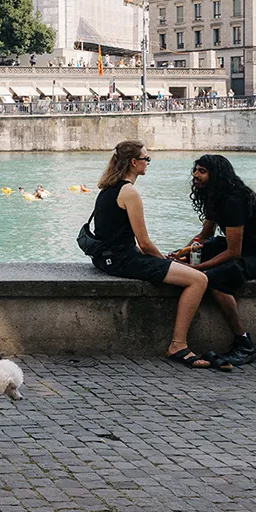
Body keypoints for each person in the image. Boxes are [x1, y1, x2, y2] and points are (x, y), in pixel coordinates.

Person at [88, 141, 211, 368]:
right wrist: (164, 261)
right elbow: (144, 244)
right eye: (146, 159)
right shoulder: (129, 192)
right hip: (124, 261)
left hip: (106, 259)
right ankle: (178, 345)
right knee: (199, 280)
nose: (148, 163)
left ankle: (178, 344)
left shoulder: (108, 188)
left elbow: (117, 237)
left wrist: (162, 260)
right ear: (134, 163)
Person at [185, 154, 256, 369]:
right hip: (246, 249)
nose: (195, 175)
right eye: (196, 170)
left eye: (202, 171)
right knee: (200, 250)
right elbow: (204, 236)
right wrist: (182, 253)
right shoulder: (214, 196)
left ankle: (244, 342)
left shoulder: (233, 201)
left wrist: (199, 268)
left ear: (216, 175)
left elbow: (233, 252)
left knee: (216, 279)